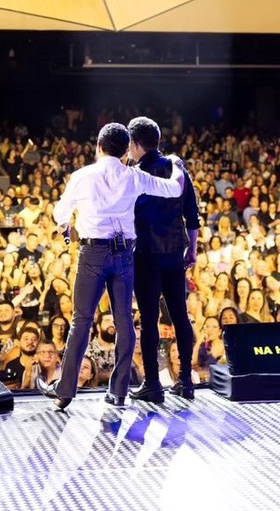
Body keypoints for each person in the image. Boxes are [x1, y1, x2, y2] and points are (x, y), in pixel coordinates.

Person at [36, 122, 185, 410]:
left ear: (98, 146)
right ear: (126, 149)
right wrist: (177, 165)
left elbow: (59, 212)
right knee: (124, 321)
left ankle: (65, 391)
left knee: (81, 321)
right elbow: (174, 189)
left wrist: (65, 223)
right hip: (124, 255)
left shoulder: (82, 176)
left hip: (93, 254)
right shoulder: (134, 176)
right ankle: (117, 392)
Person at [127, 116, 200, 403]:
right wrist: (191, 250)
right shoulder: (176, 168)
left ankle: (153, 385)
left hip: (145, 256)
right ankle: (185, 382)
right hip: (174, 254)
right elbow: (192, 215)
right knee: (180, 316)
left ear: (134, 144)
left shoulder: (134, 175)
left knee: (149, 320)